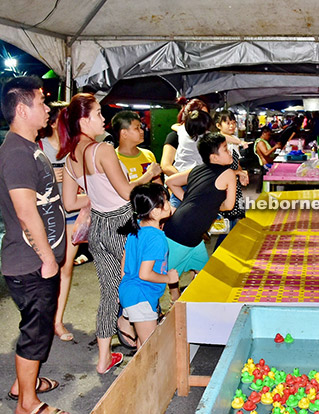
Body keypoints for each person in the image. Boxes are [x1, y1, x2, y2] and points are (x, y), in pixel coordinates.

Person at [58, 93, 161, 374]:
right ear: (84, 119)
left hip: (99, 227)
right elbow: (128, 192)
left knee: (109, 293)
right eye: (99, 114)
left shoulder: (70, 157)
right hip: (123, 223)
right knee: (142, 279)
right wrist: (148, 176)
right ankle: (144, 343)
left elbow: (69, 203)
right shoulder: (101, 150)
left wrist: (94, 197)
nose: (104, 119)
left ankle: (104, 359)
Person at [0, 77, 70, 414]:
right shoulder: (15, 150)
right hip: (30, 262)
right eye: (42, 103)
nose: (47, 109)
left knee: (37, 326)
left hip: (37, 259)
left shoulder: (30, 147)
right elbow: (26, 212)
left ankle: (22, 383)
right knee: (35, 331)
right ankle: (27, 403)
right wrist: (47, 259)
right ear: (22, 109)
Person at [164, 132, 237, 286]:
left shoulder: (196, 170)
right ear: (214, 157)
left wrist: (190, 200)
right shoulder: (228, 173)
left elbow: (170, 181)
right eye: (225, 149)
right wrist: (210, 205)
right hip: (182, 234)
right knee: (158, 278)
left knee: (203, 274)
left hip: (189, 233)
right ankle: (143, 308)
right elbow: (229, 206)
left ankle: (181, 301)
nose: (229, 151)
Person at [117, 184, 179, 348]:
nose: (169, 204)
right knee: (149, 347)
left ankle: (124, 320)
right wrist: (169, 278)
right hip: (141, 296)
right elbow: (145, 274)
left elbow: (124, 261)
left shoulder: (137, 227)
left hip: (132, 293)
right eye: (165, 201)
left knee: (143, 342)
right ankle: (146, 373)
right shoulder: (156, 238)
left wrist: (123, 287)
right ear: (155, 211)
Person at [37, 101, 79, 343]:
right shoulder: (39, 147)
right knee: (43, 268)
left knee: (66, 267)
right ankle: (41, 318)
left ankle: (57, 321)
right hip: (44, 216)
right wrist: (49, 176)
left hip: (71, 214)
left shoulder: (75, 149)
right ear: (53, 122)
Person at [214, 110, 250, 248]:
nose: (231, 126)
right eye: (227, 123)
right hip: (224, 187)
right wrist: (238, 173)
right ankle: (219, 253)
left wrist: (242, 174)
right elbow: (221, 170)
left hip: (234, 186)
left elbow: (237, 162)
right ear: (218, 125)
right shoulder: (219, 142)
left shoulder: (233, 142)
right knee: (227, 223)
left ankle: (233, 249)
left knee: (237, 219)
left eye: (234, 123)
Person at [160, 98, 208, 177]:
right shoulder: (175, 136)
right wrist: (184, 180)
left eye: (206, 116)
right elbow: (166, 166)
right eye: (201, 115)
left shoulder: (205, 137)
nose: (204, 120)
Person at [112, 110, 162, 184]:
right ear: (124, 133)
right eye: (137, 128)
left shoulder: (148, 154)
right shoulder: (113, 159)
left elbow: (157, 184)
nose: (142, 131)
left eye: (140, 127)